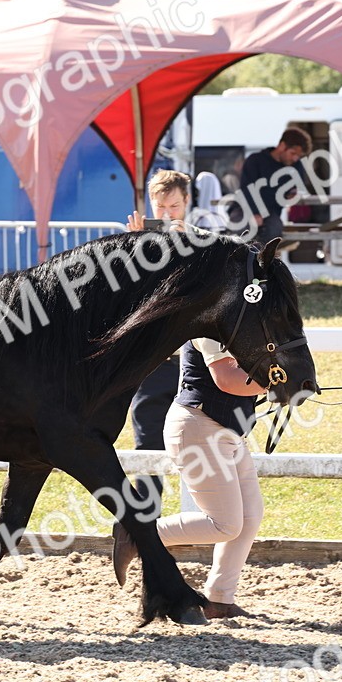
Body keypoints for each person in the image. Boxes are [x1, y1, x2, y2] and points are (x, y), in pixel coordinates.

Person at [112, 336, 269, 619]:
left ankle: (219, 600)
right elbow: (227, 379)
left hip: (226, 429)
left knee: (249, 516)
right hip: (201, 428)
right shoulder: (211, 327)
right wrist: (278, 383)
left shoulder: (238, 322)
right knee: (225, 525)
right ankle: (136, 534)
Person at [125, 170, 191, 500]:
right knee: (148, 440)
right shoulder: (137, 245)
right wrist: (135, 247)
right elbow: (129, 297)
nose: (167, 214)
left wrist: (185, 246)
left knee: (201, 442)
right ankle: (146, 515)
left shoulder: (204, 242)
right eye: (160, 207)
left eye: (174, 206)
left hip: (194, 360)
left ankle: (206, 515)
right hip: (152, 360)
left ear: (187, 202)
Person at [231, 127, 311, 245]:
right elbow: (247, 189)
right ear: (282, 146)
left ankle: (264, 256)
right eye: (293, 153)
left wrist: (294, 193)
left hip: (271, 213)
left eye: (298, 156)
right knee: (241, 230)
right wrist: (255, 213)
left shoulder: (296, 165)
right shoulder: (255, 160)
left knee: (274, 230)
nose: (295, 158)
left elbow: (298, 186)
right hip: (244, 209)